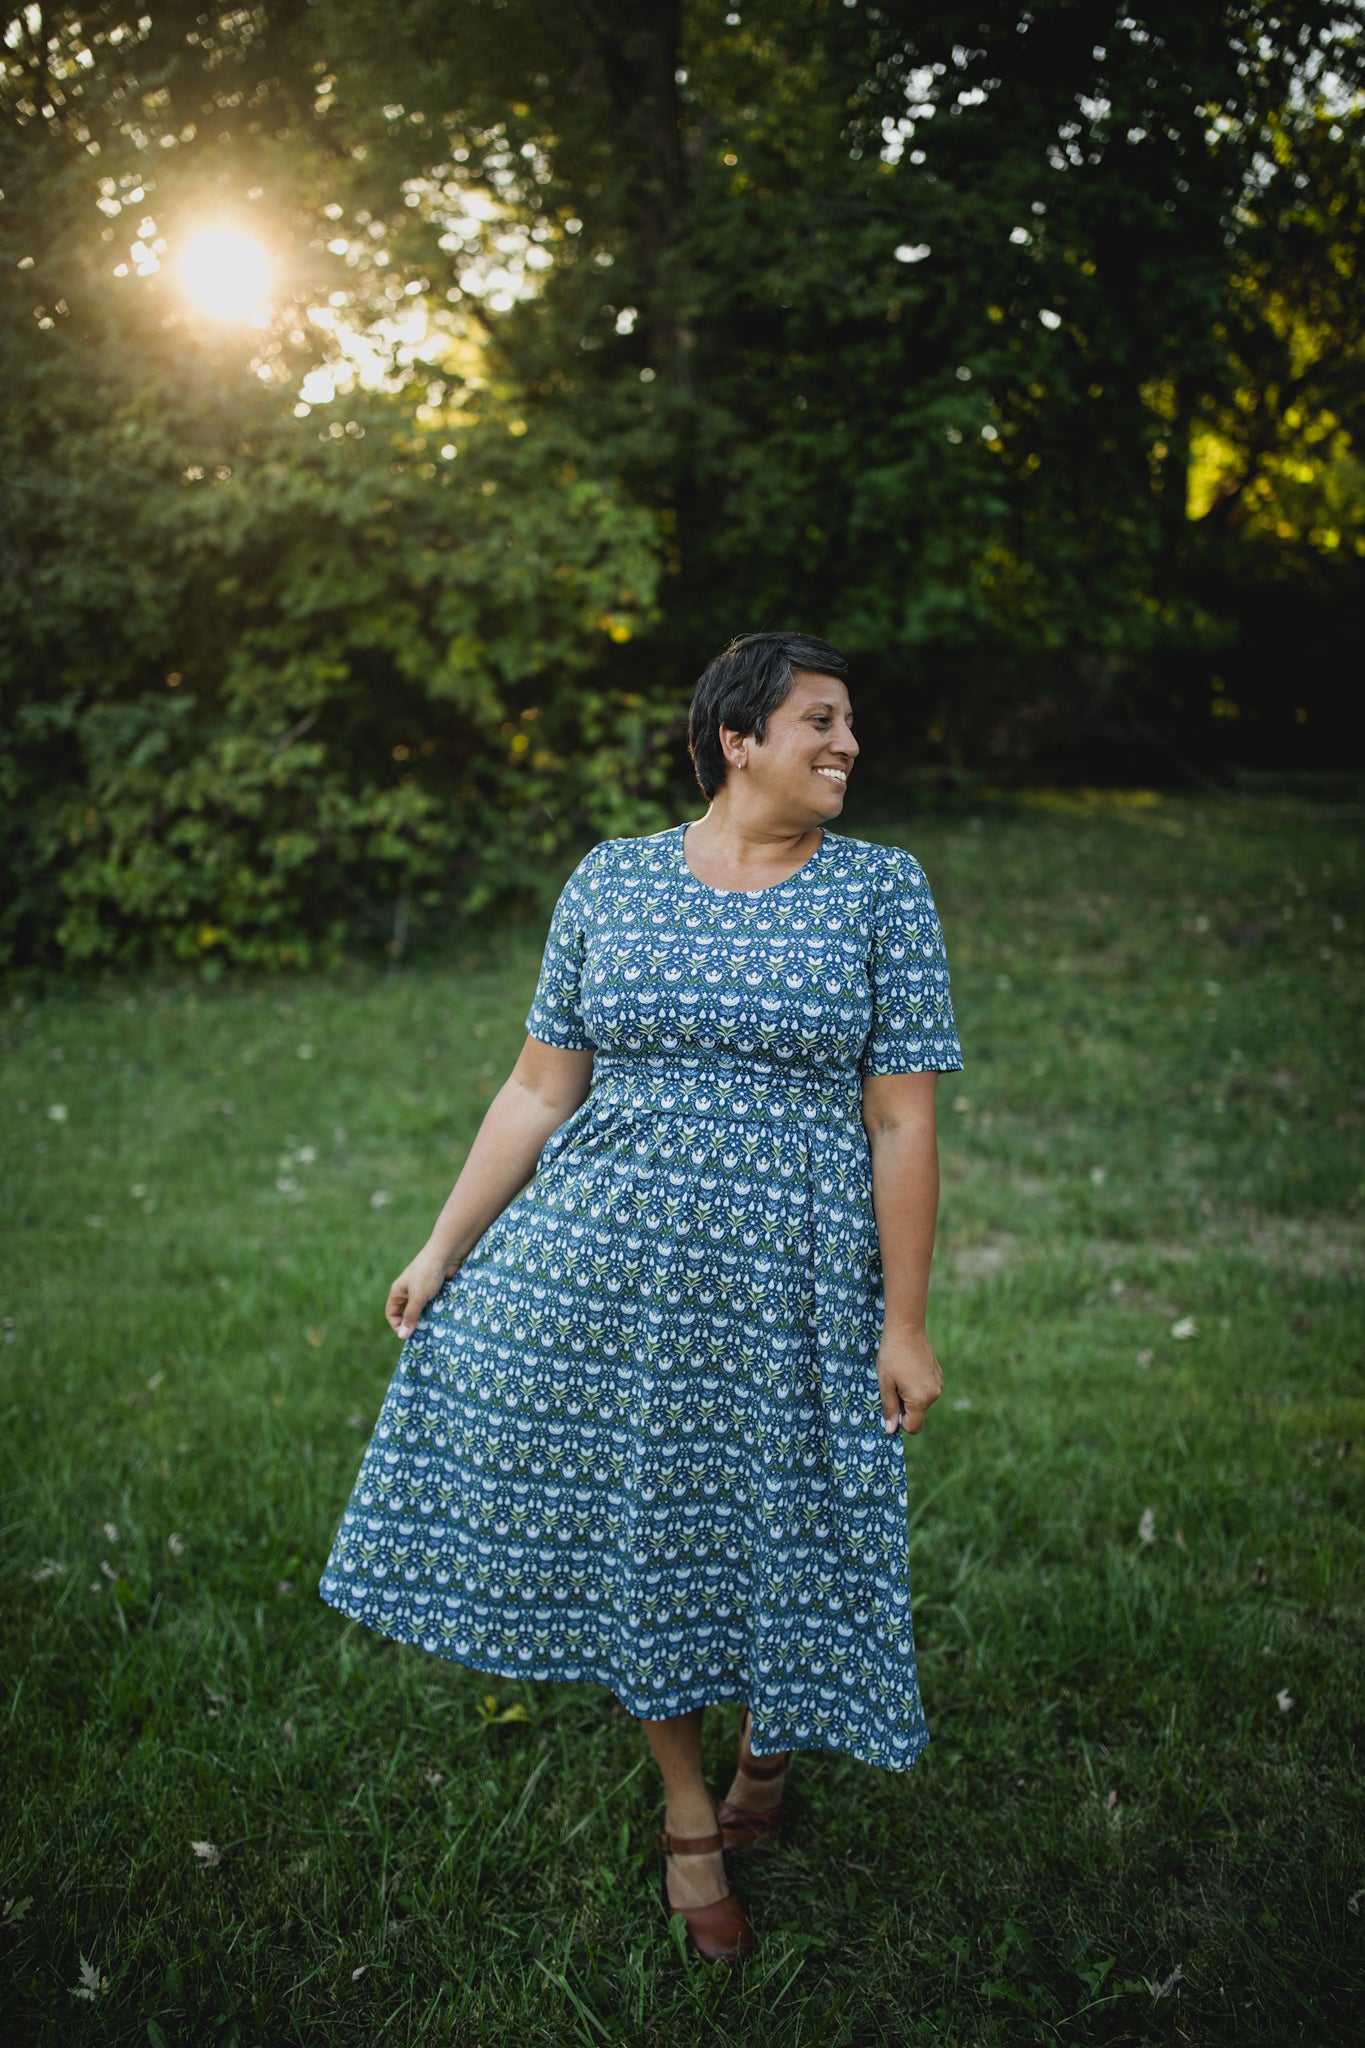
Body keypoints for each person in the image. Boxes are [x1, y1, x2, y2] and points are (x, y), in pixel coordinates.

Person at [319, 631, 963, 1963]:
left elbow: (901, 1123)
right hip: (607, 1271)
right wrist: (441, 1250)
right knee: (646, 1532)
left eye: (848, 725)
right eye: (820, 723)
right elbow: (540, 1087)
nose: (848, 746)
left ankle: (763, 1764)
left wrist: (901, 1322)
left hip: (795, 1280)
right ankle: (687, 1812)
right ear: (738, 741)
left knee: (792, 1518)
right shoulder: (611, 881)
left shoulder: (880, 892)